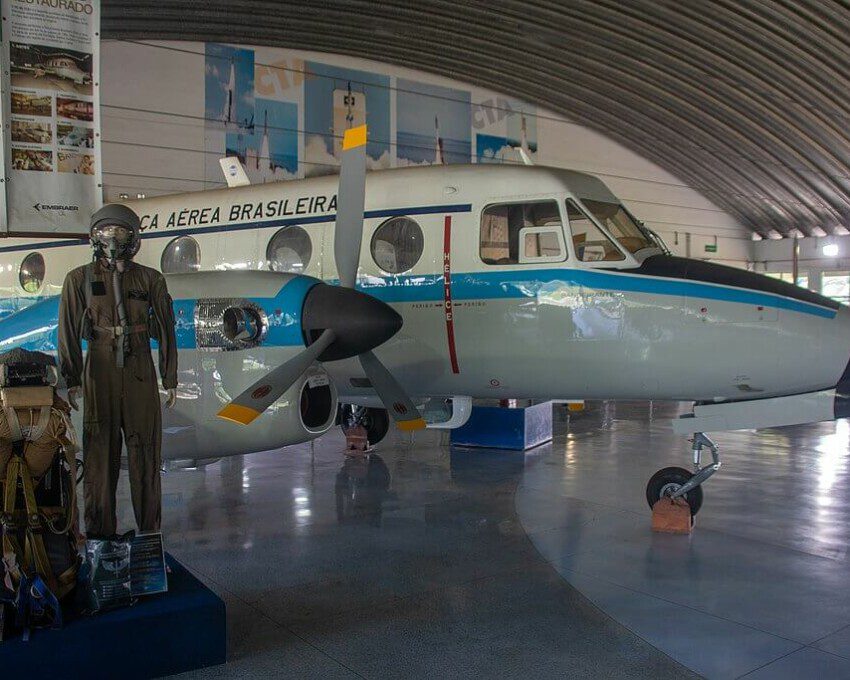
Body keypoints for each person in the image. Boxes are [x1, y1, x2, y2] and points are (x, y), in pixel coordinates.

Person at [57, 204, 178, 537]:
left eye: (120, 232)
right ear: (94, 237)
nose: (112, 239)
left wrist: (169, 378)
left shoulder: (151, 279)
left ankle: (150, 535)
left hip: (139, 368)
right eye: (105, 233)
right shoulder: (78, 279)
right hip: (99, 368)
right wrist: (69, 379)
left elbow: (167, 328)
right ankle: (100, 539)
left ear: (133, 237)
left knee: (146, 456)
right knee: (99, 457)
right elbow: (67, 329)